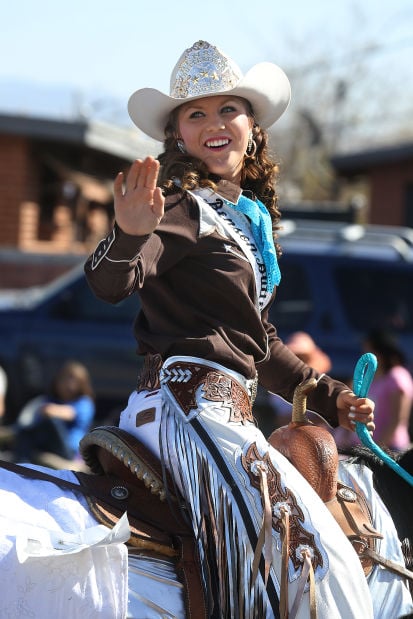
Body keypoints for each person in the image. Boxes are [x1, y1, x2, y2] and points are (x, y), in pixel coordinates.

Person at [84, 41, 411, 618]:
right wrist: (130, 233)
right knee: (310, 558)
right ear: (178, 136)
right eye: (195, 114)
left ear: (252, 126)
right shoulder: (181, 206)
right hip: (188, 410)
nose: (214, 124)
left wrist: (334, 398)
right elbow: (113, 283)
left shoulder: (244, 218)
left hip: (225, 411)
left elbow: (259, 345)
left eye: (227, 110)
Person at [13, 360, 95, 464]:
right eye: (64, 379)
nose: (68, 385)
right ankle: (20, 465)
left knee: (51, 422)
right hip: (48, 445)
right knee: (25, 433)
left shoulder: (84, 403)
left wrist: (49, 410)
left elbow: (68, 413)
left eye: (74, 381)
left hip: (69, 451)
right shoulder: (50, 399)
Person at [363, 328, 413, 451]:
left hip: (391, 450)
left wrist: (376, 450)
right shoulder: (376, 376)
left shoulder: (397, 376)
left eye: (370, 350)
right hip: (372, 449)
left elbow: (398, 419)